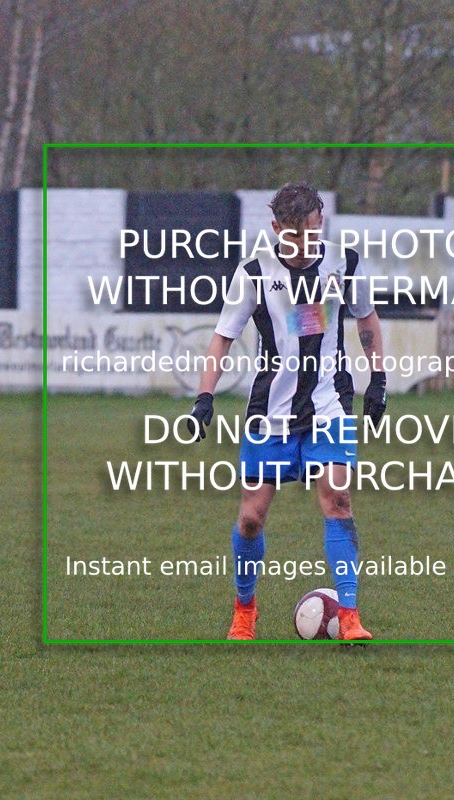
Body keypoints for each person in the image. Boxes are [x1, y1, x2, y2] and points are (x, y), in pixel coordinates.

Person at [187, 182, 386, 640]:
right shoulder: (255, 273)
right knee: (251, 516)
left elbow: (366, 317)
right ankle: (245, 609)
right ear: (277, 229)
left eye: (314, 232)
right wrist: (204, 398)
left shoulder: (345, 263)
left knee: (338, 500)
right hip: (270, 414)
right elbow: (223, 336)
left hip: (328, 406)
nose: (306, 244)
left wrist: (378, 379)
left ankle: (351, 616)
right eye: (295, 235)